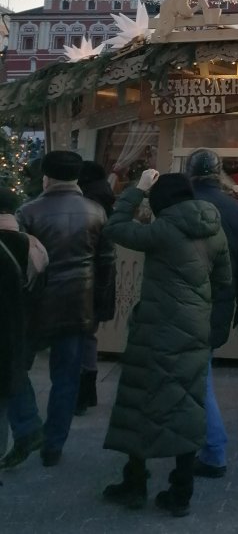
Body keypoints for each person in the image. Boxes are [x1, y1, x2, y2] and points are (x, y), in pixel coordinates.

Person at [101, 170, 231, 516]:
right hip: (194, 330)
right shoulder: (215, 230)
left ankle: (134, 481)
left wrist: (138, 190)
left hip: (156, 329)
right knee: (187, 405)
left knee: (142, 401)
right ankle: (180, 491)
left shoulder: (163, 229)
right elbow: (224, 282)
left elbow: (113, 227)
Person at [0, 149, 114, 471]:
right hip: (79, 306)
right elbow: (106, 264)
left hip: (36, 307)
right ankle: (53, 445)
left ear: (47, 177)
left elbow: (20, 264)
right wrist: (102, 308)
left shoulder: (28, 211)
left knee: (15, 369)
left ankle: (27, 426)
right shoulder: (96, 211)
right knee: (66, 378)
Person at [186, 148, 238, 478]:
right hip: (219, 302)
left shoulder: (178, 207)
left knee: (198, 377)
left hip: (183, 303)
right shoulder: (234, 208)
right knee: (199, 371)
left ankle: (213, 449)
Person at [0, 188, 48, 466]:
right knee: (15, 373)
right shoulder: (33, 245)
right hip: (25, 325)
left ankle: (26, 428)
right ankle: (28, 427)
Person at [75, 160, 116, 416]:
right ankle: (86, 391)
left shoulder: (90, 203)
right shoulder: (103, 197)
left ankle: (81, 393)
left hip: (86, 281)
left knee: (80, 339)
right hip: (101, 281)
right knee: (88, 337)